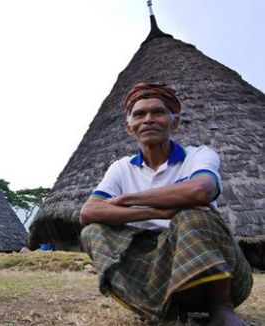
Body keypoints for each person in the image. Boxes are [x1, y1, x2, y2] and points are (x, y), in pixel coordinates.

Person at [79, 82, 253, 325]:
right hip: (157, 271)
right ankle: (161, 311)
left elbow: (202, 190)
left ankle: (221, 309)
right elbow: (89, 211)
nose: (148, 119)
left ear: (174, 123)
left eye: (158, 112)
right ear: (129, 127)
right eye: (139, 114)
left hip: (223, 272)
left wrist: (128, 199)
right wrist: (157, 210)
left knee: (189, 215)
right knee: (92, 231)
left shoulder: (199, 155)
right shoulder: (120, 168)